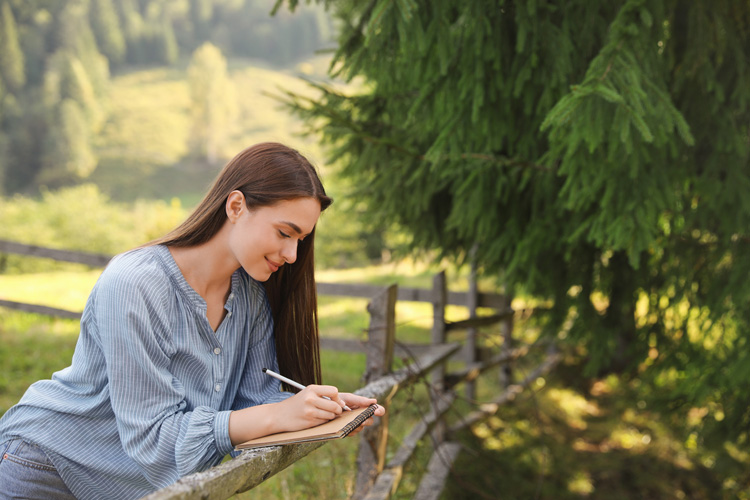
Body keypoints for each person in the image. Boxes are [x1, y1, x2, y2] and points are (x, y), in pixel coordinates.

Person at [0, 142, 386, 500]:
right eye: (285, 233)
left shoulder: (249, 294)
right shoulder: (136, 284)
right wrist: (276, 414)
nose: (292, 254)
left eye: (301, 239)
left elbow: (255, 399)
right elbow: (154, 441)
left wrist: (318, 409)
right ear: (235, 207)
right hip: (47, 470)